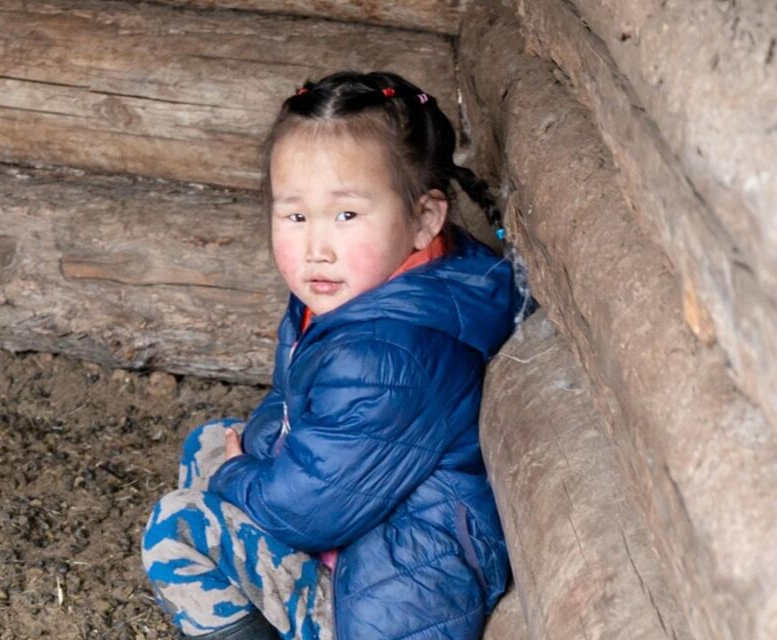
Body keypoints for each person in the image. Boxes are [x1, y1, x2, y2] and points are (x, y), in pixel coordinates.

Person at [139, 71, 521, 640]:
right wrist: (254, 456)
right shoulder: (362, 297)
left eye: (346, 215)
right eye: (296, 216)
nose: (316, 248)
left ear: (424, 220)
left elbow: (307, 512)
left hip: (388, 606)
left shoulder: (387, 355)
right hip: (365, 540)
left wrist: (243, 470)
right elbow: (290, 401)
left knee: (179, 526)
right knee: (210, 444)